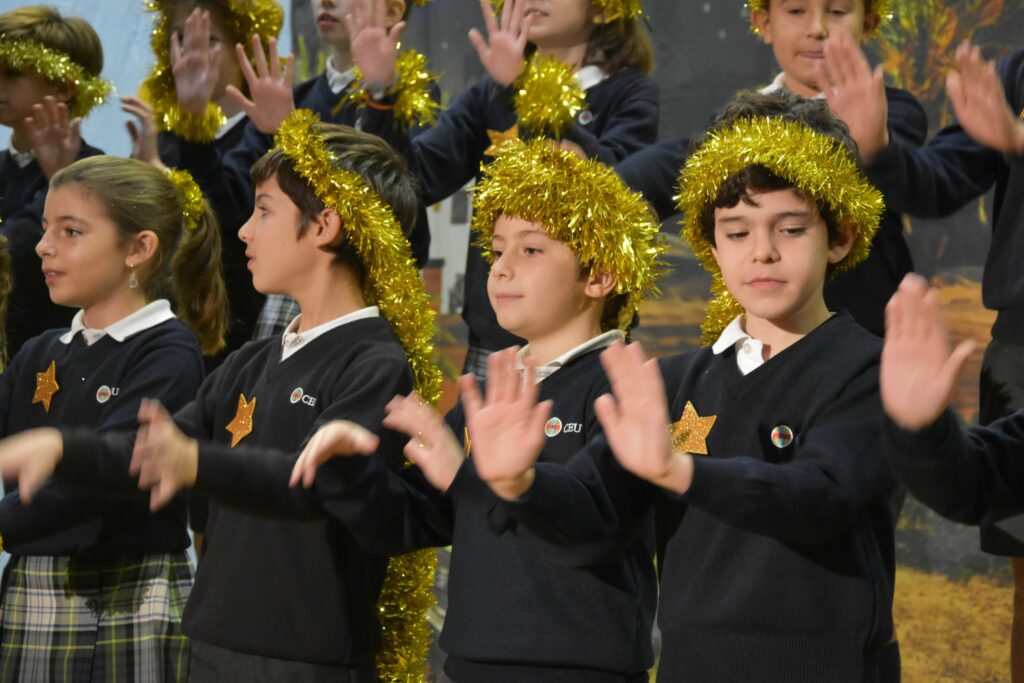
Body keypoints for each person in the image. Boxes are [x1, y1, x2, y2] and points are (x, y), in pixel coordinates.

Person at [456, 91, 902, 681]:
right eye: (737, 232)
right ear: (710, 244)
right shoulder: (672, 381)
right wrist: (524, 482)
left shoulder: (867, 368)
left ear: (840, 236)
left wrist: (680, 471)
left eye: (791, 229)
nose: (762, 252)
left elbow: (818, 498)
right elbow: (597, 518)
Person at [0, 112, 438, 682]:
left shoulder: (373, 362)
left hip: (305, 659)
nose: (243, 231)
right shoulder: (250, 362)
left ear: (325, 225)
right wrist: (61, 450)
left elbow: (311, 484)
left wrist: (194, 462)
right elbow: (149, 450)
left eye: (263, 211)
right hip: (213, 643)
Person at [287, 137, 665, 680]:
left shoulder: (620, 387)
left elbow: (594, 527)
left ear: (599, 275)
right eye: (497, 248)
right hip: (469, 663)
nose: (501, 269)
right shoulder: (490, 389)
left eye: (531, 249)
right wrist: (350, 474)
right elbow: (420, 518)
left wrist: (485, 479)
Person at [0, 156, 226, 681]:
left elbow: (120, 465)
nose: (43, 246)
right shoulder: (41, 352)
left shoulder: (169, 351)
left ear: (137, 249)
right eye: (45, 229)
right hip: (33, 588)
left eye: (71, 231)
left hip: (129, 595)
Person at [350, 0, 659, 378]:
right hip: (495, 342)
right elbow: (417, 180)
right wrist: (383, 95)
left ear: (603, 9)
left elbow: (619, 186)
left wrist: (525, 90)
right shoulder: (490, 95)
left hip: (587, 340)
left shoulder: (628, 92)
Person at [169, 0, 436, 341]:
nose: (324, 2)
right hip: (284, 314)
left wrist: (379, 96)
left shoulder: (412, 98)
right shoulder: (289, 99)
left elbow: (400, 220)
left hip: (367, 316)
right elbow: (227, 209)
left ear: (393, 11)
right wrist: (193, 122)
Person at [125, 0, 284, 361]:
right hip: (165, 327)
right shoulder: (166, 138)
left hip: (235, 338)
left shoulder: (266, 132)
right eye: (180, 39)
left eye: (209, 40)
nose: (191, 54)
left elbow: (227, 215)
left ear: (244, 47)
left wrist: (191, 123)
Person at [0, 5, 112, 357]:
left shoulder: (100, 175)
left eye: (13, 72)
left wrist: (58, 185)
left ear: (64, 86)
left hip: (58, 364)